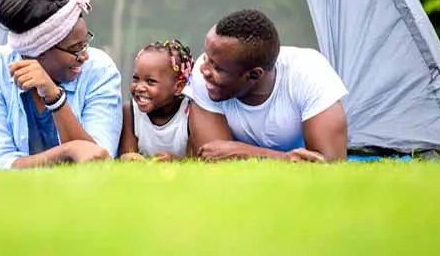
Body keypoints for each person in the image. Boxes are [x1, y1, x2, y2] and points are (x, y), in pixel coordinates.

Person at [0, 0, 122, 169]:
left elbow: (99, 160)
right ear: (39, 51)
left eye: (85, 43)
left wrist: (55, 99)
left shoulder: (99, 70)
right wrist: (67, 151)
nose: (84, 55)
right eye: (75, 49)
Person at [183, 9, 348, 162]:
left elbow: (330, 166)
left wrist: (244, 152)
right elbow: (213, 157)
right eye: (206, 57)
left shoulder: (309, 72)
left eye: (217, 67)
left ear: (254, 74)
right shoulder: (205, 77)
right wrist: (288, 159)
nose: (203, 69)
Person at [118, 39, 195, 162]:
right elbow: (126, 154)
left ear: (178, 87)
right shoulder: (130, 112)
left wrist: (175, 161)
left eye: (150, 81)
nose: (139, 87)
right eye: (136, 79)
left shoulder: (191, 113)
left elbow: (197, 162)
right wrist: (130, 158)